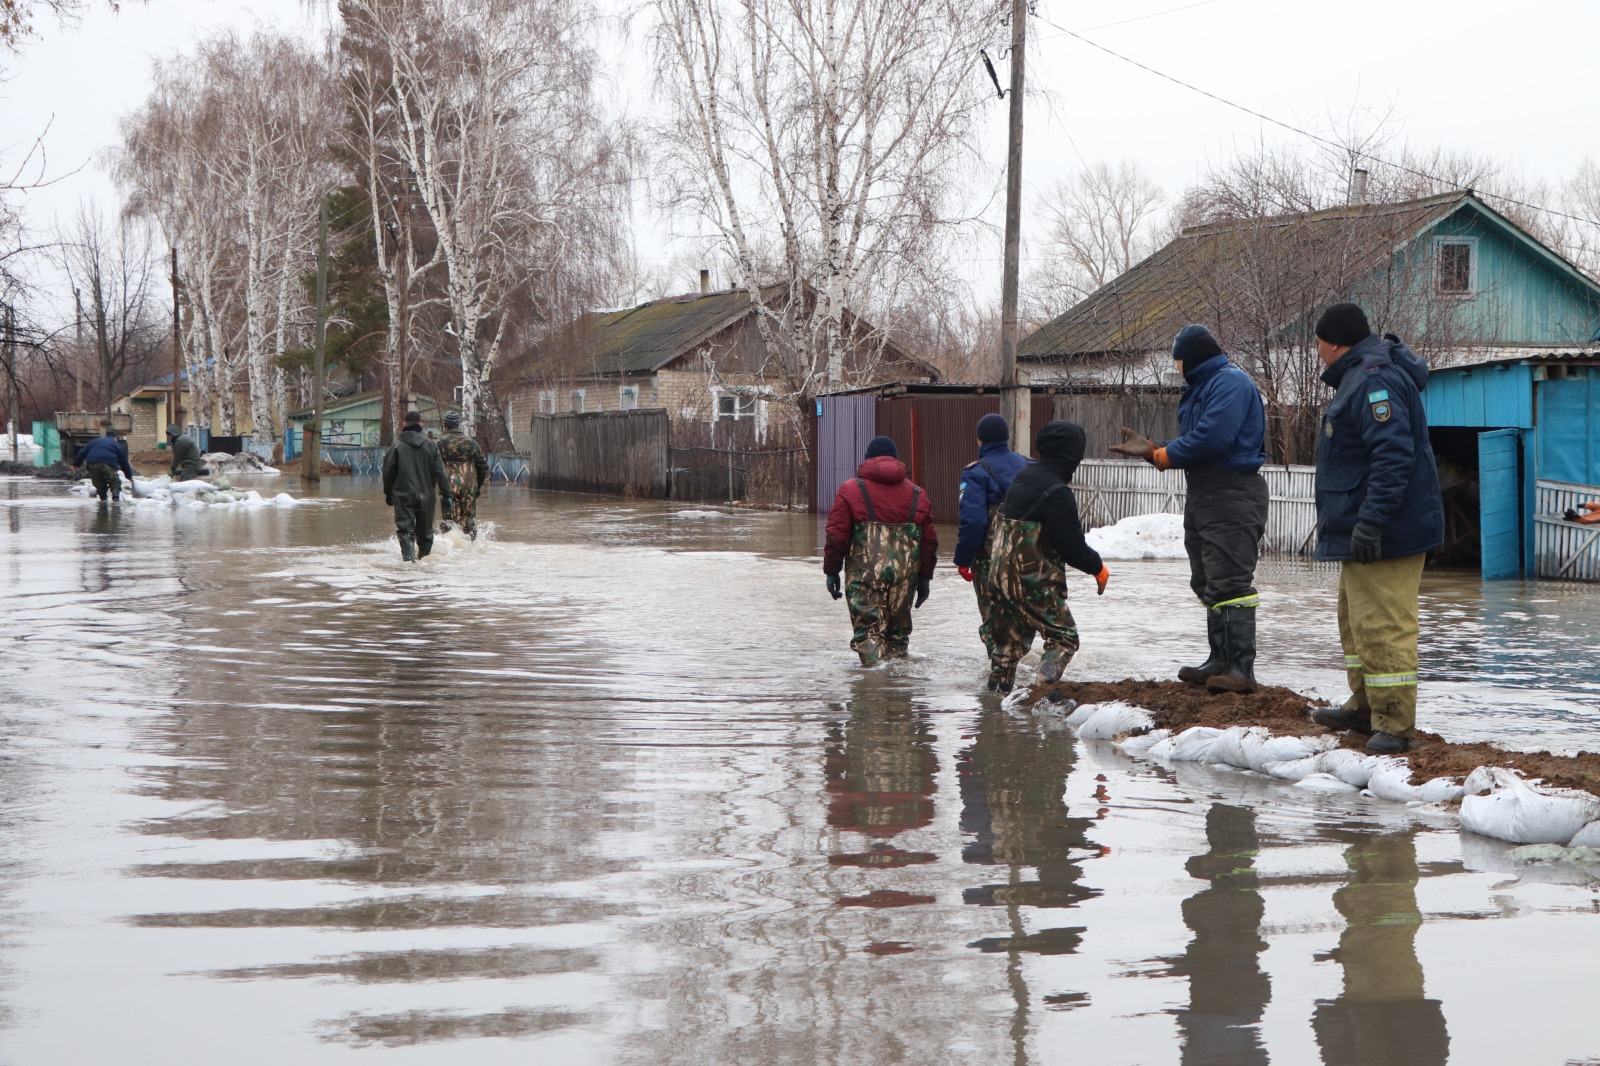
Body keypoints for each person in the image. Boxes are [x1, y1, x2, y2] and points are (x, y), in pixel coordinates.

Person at [1306, 303, 1444, 755]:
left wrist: (1371, 520)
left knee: (1385, 625)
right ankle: (1366, 707)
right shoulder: (1359, 375)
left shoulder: (1373, 381)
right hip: (1363, 530)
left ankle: (1394, 723)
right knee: (1356, 622)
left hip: (1386, 532)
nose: (1318, 350)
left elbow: (1393, 455)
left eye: (1319, 342)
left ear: (1334, 342)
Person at [1110, 324, 1270, 693]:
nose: (1176, 367)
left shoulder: (1229, 383)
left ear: (1191, 358)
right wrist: (1155, 450)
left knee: (1230, 581)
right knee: (1207, 579)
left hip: (1232, 491)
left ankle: (1240, 669)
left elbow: (1213, 438)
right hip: (1205, 491)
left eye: (1177, 360)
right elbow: (1196, 440)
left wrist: (1160, 453)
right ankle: (1220, 659)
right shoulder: (1204, 386)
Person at [983, 420, 1110, 693]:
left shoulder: (1024, 478)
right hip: (1031, 579)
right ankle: (1038, 695)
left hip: (998, 577)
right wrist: (1098, 568)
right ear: (1072, 456)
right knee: (1064, 638)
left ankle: (993, 714)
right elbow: (1073, 549)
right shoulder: (1057, 492)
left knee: (1006, 648)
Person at [822, 435, 937, 666]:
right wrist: (924, 578)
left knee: (868, 636)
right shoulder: (917, 493)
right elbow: (929, 541)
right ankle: (898, 696)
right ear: (896, 460)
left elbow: (837, 535)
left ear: (867, 459)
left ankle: (874, 692)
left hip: (865, 576)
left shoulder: (850, 490)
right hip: (905, 577)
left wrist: (831, 571)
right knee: (898, 637)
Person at [954, 412, 1028, 664]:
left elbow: (973, 521)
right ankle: (1026, 672)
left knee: (995, 621)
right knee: (1025, 617)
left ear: (979, 440)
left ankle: (1000, 681)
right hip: (1030, 559)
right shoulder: (1029, 466)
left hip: (992, 561)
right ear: (1007, 437)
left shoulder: (976, 473)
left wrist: (963, 560)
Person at [381, 410, 453, 563]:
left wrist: (388, 493)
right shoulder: (431, 446)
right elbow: (441, 473)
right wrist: (447, 495)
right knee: (426, 533)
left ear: (404, 424)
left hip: (404, 496)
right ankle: (423, 563)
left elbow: (388, 472)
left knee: (405, 530)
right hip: (427, 497)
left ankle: (409, 563)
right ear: (421, 424)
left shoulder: (397, 446)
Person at [437, 411, 489, 539]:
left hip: (448, 485)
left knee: (449, 521)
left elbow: (432, 466)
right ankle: (471, 550)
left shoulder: (439, 443)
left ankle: (450, 550)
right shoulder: (472, 443)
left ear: (445, 425)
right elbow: (483, 467)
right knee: (469, 522)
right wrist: (477, 486)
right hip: (469, 485)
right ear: (458, 425)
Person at [72, 423, 134, 502]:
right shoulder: (116, 444)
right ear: (115, 437)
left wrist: (75, 464)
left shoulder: (95, 441)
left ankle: (103, 503)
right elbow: (124, 462)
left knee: (100, 486)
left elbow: (82, 452)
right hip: (107, 464)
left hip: (92, 465)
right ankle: (115, 502)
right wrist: (129, 476)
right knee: (115, 482)